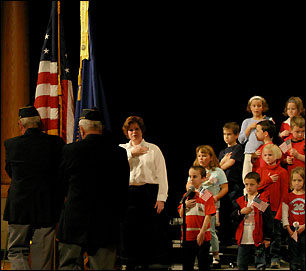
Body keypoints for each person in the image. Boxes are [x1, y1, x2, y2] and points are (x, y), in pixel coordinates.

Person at [56, 108, 130, 270]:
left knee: (68, 266)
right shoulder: (118, 153)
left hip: (74, 223)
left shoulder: (70, 151)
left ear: (81, 130)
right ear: (101, 128)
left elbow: (60, 185)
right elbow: (123, 191)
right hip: (106, 225)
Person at [3, 105, 64, 270]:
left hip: (19, 207)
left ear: (21, 125)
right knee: (43, 253)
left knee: (17, 250)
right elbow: (61, 173)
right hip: (47, 207)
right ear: (40, 124)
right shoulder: (56, 143)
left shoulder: (11, 144)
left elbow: (11, 172)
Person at [119, 116, 168, 270]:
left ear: (142, 130)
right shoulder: (121, 149)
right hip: (127, 193)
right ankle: (130, 263)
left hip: (147, 192)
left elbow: (162, 174)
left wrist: (161, 198)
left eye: (137, 129)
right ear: (127, 132)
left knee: (146, 230)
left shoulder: (154, 149)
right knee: (128, 231)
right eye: (131, 129)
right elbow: (115, 169)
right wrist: (131, 153)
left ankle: (145, 263)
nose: (134, 132)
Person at [187, 145, 228, 267]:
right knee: (198, 228)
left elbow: (225, 188)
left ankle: (215, 255)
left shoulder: (217, 171)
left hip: (212, 203)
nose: (201, 158)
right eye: (199, 155)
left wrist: (214, 198)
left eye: (204, 155)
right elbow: (188, 186)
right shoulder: (195, 171)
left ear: (210, 157)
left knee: (211, 230)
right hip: (196, 205)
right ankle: (197, 254)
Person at [232, 172, 273, 270]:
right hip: (243, 239)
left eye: (252, 184)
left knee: (260, 264)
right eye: (246, 184)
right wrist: (241, 212)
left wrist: (267, 238)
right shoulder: (241, 200)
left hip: (258, 239)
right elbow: (233, 217)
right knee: (241, 264)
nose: (249, 187)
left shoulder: (260, 201)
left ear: (258, 185)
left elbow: (268, 219)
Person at [256, 144, 289, 269]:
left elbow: (284, 194)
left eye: (270, 155)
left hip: (275, 208)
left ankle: (275, 258)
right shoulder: (260, 171)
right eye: (265, 155)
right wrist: (268, 180)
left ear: (277, 156)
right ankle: (262, 259)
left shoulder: (282, 172)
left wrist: (281, 211)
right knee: (261, 233)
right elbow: (255, 188)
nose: (267, 157)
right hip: (262, 207)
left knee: (275, 234)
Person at [178, 165, 216, 271]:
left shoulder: (205, 194)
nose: (191, 179)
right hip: (188, 236)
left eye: (195, 176)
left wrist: (202, 232)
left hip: (201, 235)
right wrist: (184, 205)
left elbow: (209, 214)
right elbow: (181, 214)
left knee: (203, 264)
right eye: (190, 176)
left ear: (203, 178)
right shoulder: (187, 195)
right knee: (187, 263)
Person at [218, 122, 244, 244]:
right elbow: (217, 168)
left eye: (229, 134)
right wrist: (222, 161)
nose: (226, 137)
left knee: (235, 210)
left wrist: (221, 165)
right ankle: (225, 236)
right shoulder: (222, 152)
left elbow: (230, 163)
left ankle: (236, 236)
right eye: (224, 134)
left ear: (236, 135)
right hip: (223, 185)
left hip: (234, 184)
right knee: (224, 211)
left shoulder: (238, 148)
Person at [238, 95, 271, 180]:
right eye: (254, 106)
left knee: (262, 177)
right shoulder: (247, 121)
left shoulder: (267, 121)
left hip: (263, 153)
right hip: (249, 153)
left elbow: (270, 138)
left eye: (259, 106)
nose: (256, 108)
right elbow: (241, 140)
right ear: (250, 108)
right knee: (247, 176)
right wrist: (249, 128)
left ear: (263, 107)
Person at [281, 167, 305, 270]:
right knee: (293, 255)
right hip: (291, 230)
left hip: (304, 229)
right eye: (294, 180)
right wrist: (288, 228)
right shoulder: (287, 196)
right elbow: (284, 214)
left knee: (304, 255)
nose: (296, 183)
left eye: (299, 180)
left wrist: (304, 226)